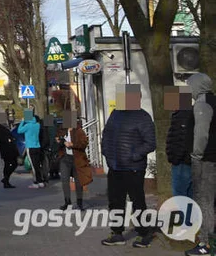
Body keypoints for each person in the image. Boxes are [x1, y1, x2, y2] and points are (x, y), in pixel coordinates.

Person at [100, 84, 156, 247]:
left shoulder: (143, 117)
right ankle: (117, 233)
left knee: (137, 201)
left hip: (133, 168)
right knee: (115, 201)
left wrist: (134, 155)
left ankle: (144, 233)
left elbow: (150, 143)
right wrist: (107, 154)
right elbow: (106, 135)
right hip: (114, 166)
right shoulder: (115, 114)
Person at [186, 73, 216, 256]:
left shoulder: (202, 104)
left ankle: (205, 244)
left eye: (190, 85)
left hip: (205, 160)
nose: (189, 89)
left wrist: (196, 155)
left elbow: (201, 134)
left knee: (204, 201)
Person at [57, 110, 91, 209]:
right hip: (65, 158)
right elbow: (57, 142)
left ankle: (79, 202)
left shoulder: (79, 131)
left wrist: (72, 145)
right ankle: (67, 202)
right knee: (64, 180)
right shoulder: (62, 129)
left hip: (77, 159)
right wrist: (59, 141)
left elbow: (84, 143)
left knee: (78, 181)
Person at [165, 85, 194, 199]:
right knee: (190, 193)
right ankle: (192, 216)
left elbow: (180, 139)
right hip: (187, 161)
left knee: (180, 195)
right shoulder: (186, 113)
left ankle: (185, 217)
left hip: (182, 162)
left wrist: (175, 159)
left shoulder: (181, 116)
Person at [18, 110, 46, 188]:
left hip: (30, 147)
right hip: (37, 146)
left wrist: (22, 121)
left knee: (33, 166)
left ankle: (36, 182)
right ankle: (40, 181)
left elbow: (19, 130)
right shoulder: (37, 125)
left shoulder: (27, 126)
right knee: (37, 164)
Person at [0, 113, 19, 188]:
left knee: (14, 163)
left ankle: (6, 179)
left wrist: (12, 138)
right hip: (5, 148)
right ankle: (6, 180)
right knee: (8, 163)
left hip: (11, 147)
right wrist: (7, 140)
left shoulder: (6, 125)